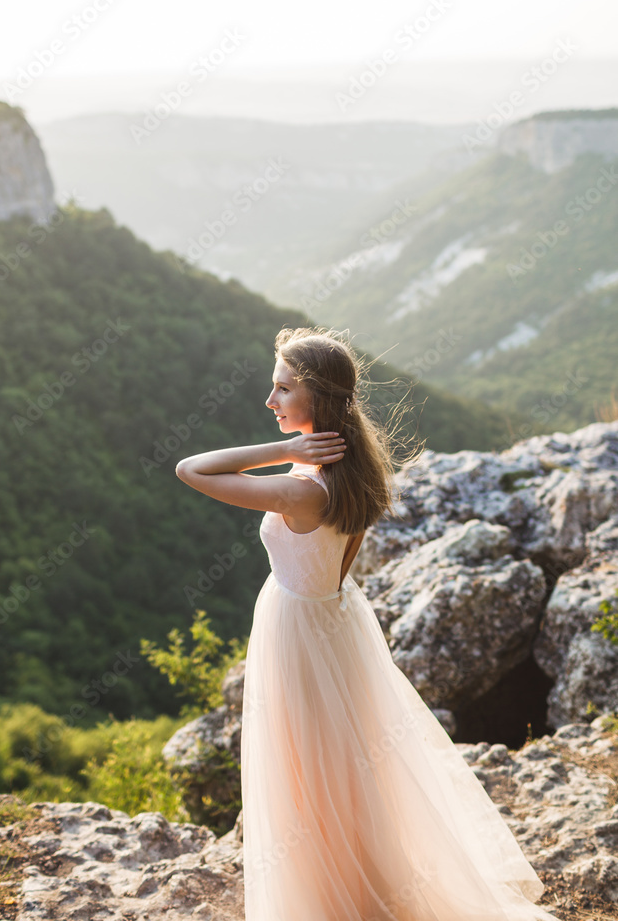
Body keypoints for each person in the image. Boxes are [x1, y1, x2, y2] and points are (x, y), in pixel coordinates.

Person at [175, 325, 560, 921]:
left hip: (299, 630)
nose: (270, 401)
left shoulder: (303, 491)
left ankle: (333, 900)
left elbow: (191, 469)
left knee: (306, 771)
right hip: (338, 614)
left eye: (281, 389)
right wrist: (301, 449)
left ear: (315, 399)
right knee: (350, 766)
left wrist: (285, 451)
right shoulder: (357, 465)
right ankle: (365, 885)